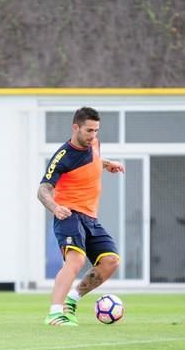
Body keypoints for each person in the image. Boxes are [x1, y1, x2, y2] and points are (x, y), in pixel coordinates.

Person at [37, 107, 124, 326]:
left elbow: (93, 159)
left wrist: (107, 164)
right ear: (75, 127)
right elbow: (43, 190)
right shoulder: (63, 156)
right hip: (69, 215)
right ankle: (55, 313)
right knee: (75, 260)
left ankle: (71, 301)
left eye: (96, 131)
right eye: (89, 131)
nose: (93, 135)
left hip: (91, 218)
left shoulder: (94, 143)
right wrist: (55, 207)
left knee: (110, 261)